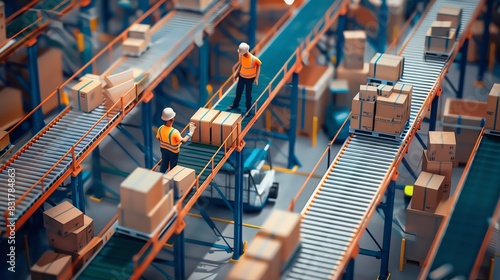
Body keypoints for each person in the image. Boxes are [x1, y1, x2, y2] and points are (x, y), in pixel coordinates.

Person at [156, 107, 196, 173]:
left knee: (164, 163)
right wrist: (191, 132)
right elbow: (184, 140)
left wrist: (165, 143)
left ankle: (161, 175)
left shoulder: (160, 128)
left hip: (163, 149)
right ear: (172, 119)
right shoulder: (174, 132)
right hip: (173, 152)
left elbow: (158, 138)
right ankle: (171, 176)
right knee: (173, 165)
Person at [227, 42, 262, 114]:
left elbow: (258, 66)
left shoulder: (253, 59)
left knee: (248, 95)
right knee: (238, 92)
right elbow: (240, 65)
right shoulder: (241, 56)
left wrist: (256, 78)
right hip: (242, 77)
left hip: (250, 79)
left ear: (246, 52)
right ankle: (235, 104)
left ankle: (249, 109)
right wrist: (236, 73)